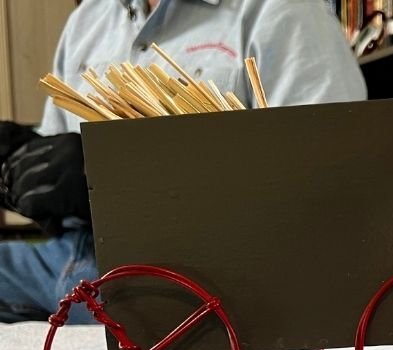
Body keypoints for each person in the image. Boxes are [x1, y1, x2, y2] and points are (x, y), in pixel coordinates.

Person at [0, 0, 367, 324]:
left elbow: (327, 175)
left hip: (197, 278)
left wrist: (120, 178)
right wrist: (30, 175)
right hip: (79, 253)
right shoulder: (88, 18)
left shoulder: (283, 10)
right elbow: (57, 173)